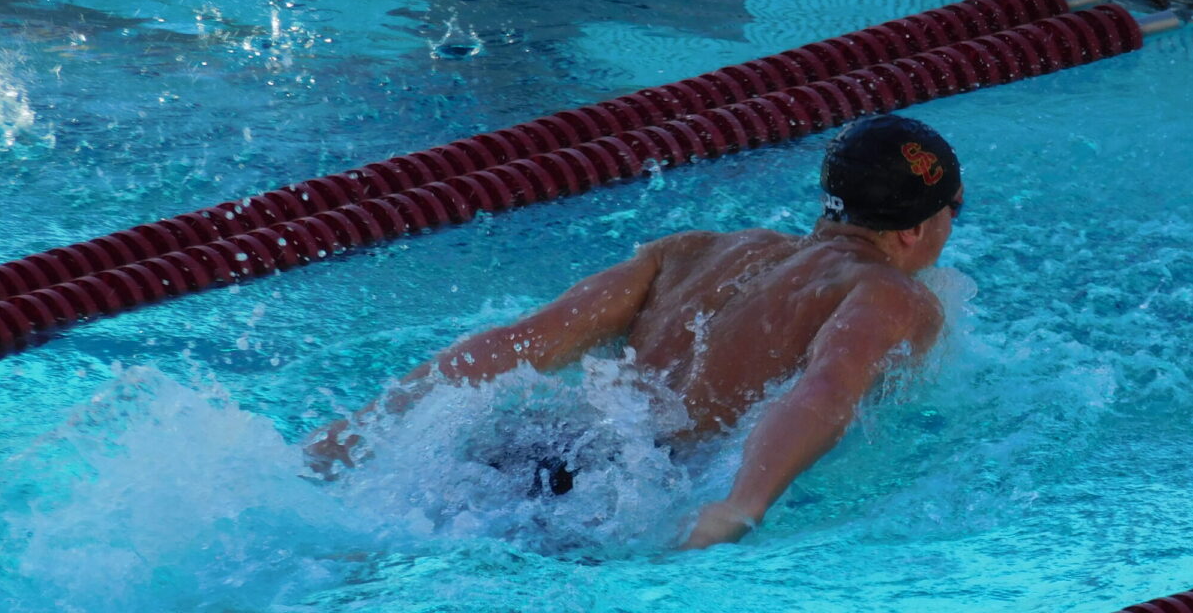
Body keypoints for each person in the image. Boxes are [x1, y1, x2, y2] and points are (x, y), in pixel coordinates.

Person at [304, 113, 964, 549]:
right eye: (953, 210)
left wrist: (364, 427)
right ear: (916, 228)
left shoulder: (697, 250)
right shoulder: (891, 294)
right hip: (620, 493)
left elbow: (522, 341)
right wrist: (740, 504)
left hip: (533, 443)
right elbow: (825, 390)